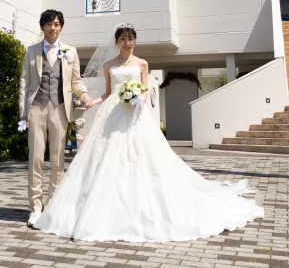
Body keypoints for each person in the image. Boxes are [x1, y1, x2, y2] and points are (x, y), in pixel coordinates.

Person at [33, 22, 264, 242]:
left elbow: (144, 89)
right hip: (113, 114)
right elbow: (107, 93)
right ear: (116, 41)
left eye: (131, 39)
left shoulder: (142, 63)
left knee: (143, 157)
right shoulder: (108, 65)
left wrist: (139, 100)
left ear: (135, 41)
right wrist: (94, 100)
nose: (127, 42)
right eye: (123, 39)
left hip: (136, 114)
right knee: (105, 159)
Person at [18, 9, 93, 228]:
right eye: (49, 24)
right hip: (36, 110)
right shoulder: (31, 51)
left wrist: (84, 93)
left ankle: (52, 206)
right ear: (42, 27)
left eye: (57, 24)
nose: (53, 28)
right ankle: (35, 208)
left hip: (60, 109)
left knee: (58, 161)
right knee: (36, 159)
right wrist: (23, 113)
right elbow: (24, 83)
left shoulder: (71, 51)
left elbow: (76, 81)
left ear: (61, 27)